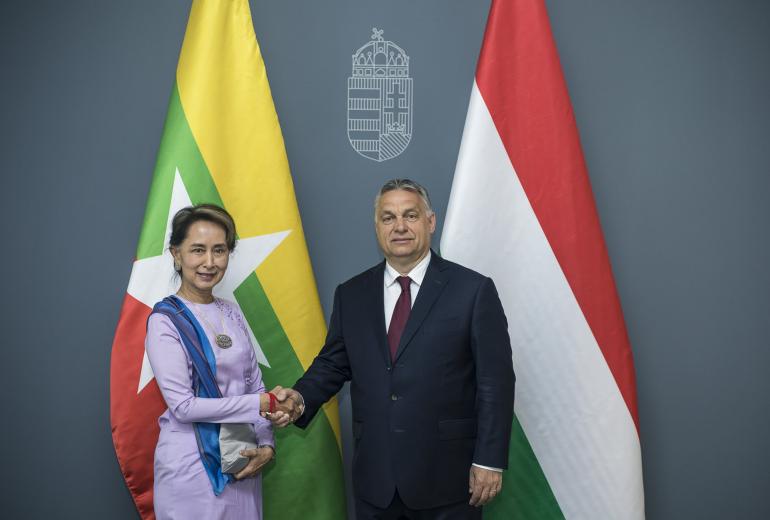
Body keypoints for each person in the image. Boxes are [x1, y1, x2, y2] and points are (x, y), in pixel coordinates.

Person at [269, 179, 515, 519]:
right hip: (376, 482)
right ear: (377, 227)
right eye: (388, 218)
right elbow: (333, 364)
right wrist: (298, 398)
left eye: (410, 215)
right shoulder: (351, 294)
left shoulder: (472, 291)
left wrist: (488, 460)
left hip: (448, 480)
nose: (399, 226)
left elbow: (495, 384)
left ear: (430, 222)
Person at [146, 204, 289, 520]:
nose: (209, 262)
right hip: (192, 467)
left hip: (242, 460)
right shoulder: (165, 320)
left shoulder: (231, 312)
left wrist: (266, 445)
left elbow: (255, 385)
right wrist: (259, 403)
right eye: (197, 250)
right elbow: (183, 406)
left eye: (219, 250)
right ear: (176, 254)